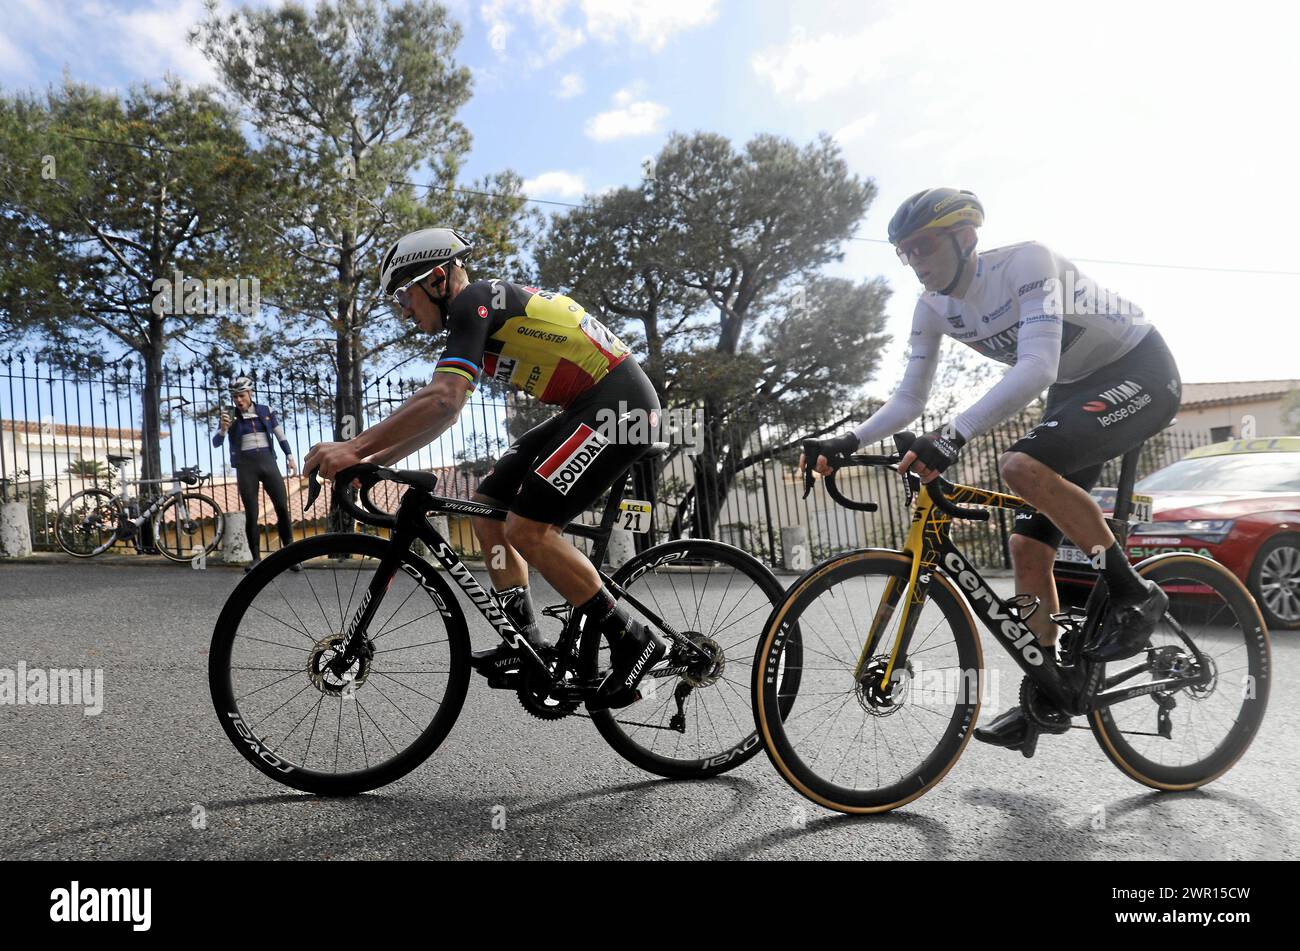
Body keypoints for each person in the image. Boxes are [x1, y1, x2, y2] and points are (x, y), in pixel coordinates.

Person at [803, 188, 1182, 753]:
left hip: (1139, 369)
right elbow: (910, 398)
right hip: (1075, 392)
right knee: (1028, 549)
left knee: (1018, 465)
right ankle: (1050, 690)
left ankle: (1134, 594)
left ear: (965, 237)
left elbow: (1037, 364)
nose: (916, 261)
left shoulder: (1027, 262)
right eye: (905, 252)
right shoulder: (932, 307)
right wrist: (849, 438)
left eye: (925, 246)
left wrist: (953, 435)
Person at [303, 227, 665, 711]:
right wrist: (371, 462)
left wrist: (353, 447)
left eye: (403, 296)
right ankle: (527, 637)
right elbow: (445, 413)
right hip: (589, 405)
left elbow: (444, 398)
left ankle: (632, 637)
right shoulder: (474, 312)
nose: (403, 311)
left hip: (618, 406)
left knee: (528, 529)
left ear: (434, 279)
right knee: (486, 506)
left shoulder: (471, 300)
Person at [213, 376, 300, 573]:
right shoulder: (229, 414)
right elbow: (216, 443)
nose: (238, 400)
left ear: (251, 394)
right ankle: (256, 559)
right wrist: (224, 429)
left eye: (241, 396)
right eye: (234, 397)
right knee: (251, 513)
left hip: (268, 462)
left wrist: (290, 457)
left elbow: (280, 434)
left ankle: (291, 557)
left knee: (282, 508)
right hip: (245, 466)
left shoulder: (265, 410)